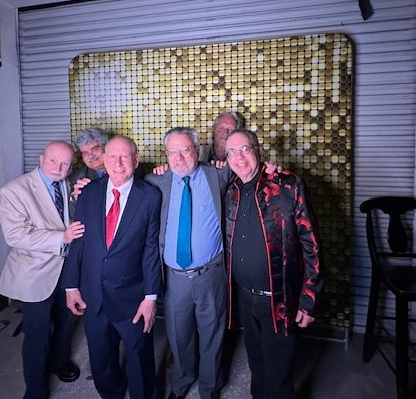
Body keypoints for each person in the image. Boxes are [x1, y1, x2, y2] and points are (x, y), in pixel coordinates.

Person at [223, 129, 323, 399]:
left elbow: (311, 244)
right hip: (245, 297)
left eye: (244, 149)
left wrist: (309, 298)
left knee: (279, 373)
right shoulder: (230, 190)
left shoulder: (287, 185)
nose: (239, 157)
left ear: (257, 150)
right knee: (257, 365)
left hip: (279, 299)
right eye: (231, 152)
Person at [62, 135, 163, 399]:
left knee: (140, 358)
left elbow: (151, 249)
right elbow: (78, 243)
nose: (118, 163)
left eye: (125, 156)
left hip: (132, 297)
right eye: (112, 156)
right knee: (101, 359)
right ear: (104, 160)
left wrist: (151, 297)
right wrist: (71, 286)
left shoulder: (150, 196)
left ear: (136, 160)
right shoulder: (89, 194)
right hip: (93, 295)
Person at [145, 127, 230, 399]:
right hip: (175, 278)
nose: (178, 157)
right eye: (172, 151)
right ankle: (181, 384)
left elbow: (252, 170)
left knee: (212, 336)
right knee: (178, 337)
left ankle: (210, 388)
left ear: (197, 150)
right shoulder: (156, 180)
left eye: (185, 150)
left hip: (212, 275)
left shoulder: (218, 174)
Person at [0, 140, 86, 399]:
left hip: (67, 271)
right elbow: (15, 236)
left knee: (65, 321)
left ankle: (58, 360)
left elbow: (64, 215)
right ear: (40, 158)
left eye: (66, 163)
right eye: (53, 161)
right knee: (37, 335)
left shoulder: (67, 184)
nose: (59, 167)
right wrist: (61, 237)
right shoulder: (15, 190)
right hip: (34, 274)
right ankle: (35, 390)